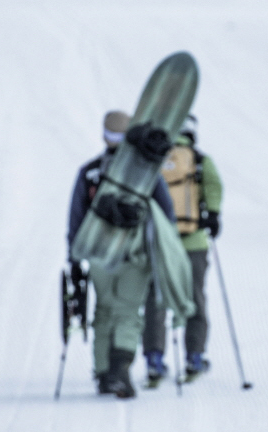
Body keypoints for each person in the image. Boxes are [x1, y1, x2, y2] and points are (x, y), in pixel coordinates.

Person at [67, 110, 175, 398]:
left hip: (98, 251)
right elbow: (166, 213)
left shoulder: (89, 171)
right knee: (127, 311)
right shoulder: (147, 172)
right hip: (134, 253)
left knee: (103, 310)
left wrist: (74, 257)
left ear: (104, 135)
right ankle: (120, 370)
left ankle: (102, 373)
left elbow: (76, 218)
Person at [142, 115, 223, 385]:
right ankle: (194, 357)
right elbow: (214, 187)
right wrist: (212, 216)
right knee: (195, 297)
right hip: (194, 242)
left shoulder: (153, 159)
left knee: (156, 298)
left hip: (159, 243)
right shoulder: (200, 161)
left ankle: (154, 358)